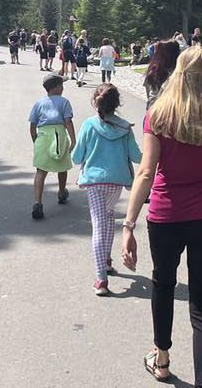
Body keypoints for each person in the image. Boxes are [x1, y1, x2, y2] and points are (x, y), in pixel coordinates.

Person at [121, 47, 202, 386]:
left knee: (164, 284)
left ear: (179, 74)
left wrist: (128, 224)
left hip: (166, 215)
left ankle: (162, 358)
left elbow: (146, 172)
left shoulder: (158, 115)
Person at [72, 84, 142, 296]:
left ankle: (101, 278)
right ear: (117, 103)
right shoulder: (125, 128)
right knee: (108, 219)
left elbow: (77, 157)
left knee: (98, 226)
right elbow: (136, 156)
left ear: (96, 103)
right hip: (117, 181)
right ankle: (106, 260)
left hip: (95, 181)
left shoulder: (89, 125)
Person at [28, 74, 76, 220]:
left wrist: (35, 140)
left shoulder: (39, 103)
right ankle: (61, 192)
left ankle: (37, 202)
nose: (63, 88)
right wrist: (73, 140)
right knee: (62, 166)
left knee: (40, 171)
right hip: (59, 135)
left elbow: (32, 125)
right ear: (57, 87)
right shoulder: (64, 102)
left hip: (43, 136)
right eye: (62, 85)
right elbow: (68, 122)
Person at [143, 40, 180, 113]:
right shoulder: (178, 72)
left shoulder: (152, 70)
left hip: (153, 109)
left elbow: (148, 92)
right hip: (170, 111)